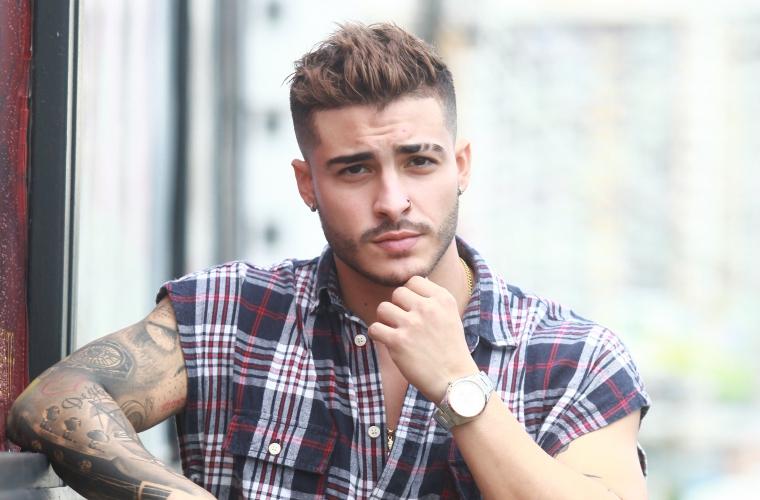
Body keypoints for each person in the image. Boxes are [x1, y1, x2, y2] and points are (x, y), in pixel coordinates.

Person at [8, 22, 650, 499]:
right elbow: (53, 400)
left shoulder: (572, 358)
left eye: (419, 162)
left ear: (459, 167)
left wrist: (461, 384)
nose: (392, 201)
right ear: (307, 184)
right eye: (354, 170)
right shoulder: (232, 317)